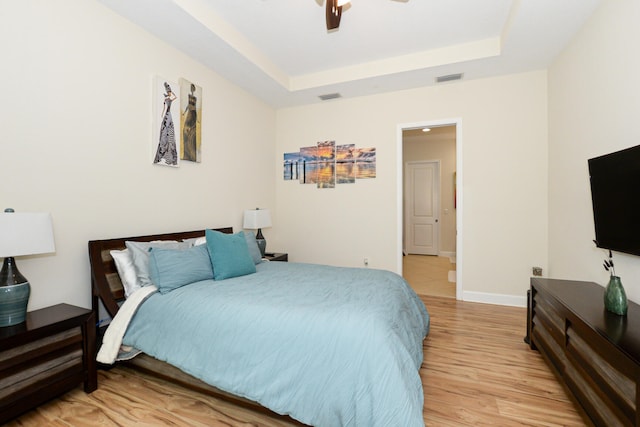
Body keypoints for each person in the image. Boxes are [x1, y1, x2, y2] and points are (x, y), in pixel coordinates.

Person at [153, 82, 178, 166]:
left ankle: (169, 155)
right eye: (169, 92)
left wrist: (171, 91)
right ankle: (164, 152)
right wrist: (161, 115)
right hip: (167, 116)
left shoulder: (169, 99)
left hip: (168, 115)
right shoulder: (167, 99)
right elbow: (164, 108)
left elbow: (175, 97)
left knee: (169, 132)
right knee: (165, 132)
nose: (169, 93)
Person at [182, 83, 198, 161]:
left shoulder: (195, 98)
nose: (192, 89)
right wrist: (184, 112)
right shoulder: (190, 96)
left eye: (193, 88)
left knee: (192, 132)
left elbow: (194, 107)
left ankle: (192, 153)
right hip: (190, 114)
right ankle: (187, 153)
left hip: (193, 114)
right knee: (186, 130)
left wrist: (197, 118)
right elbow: (188, 106)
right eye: (191, 88)